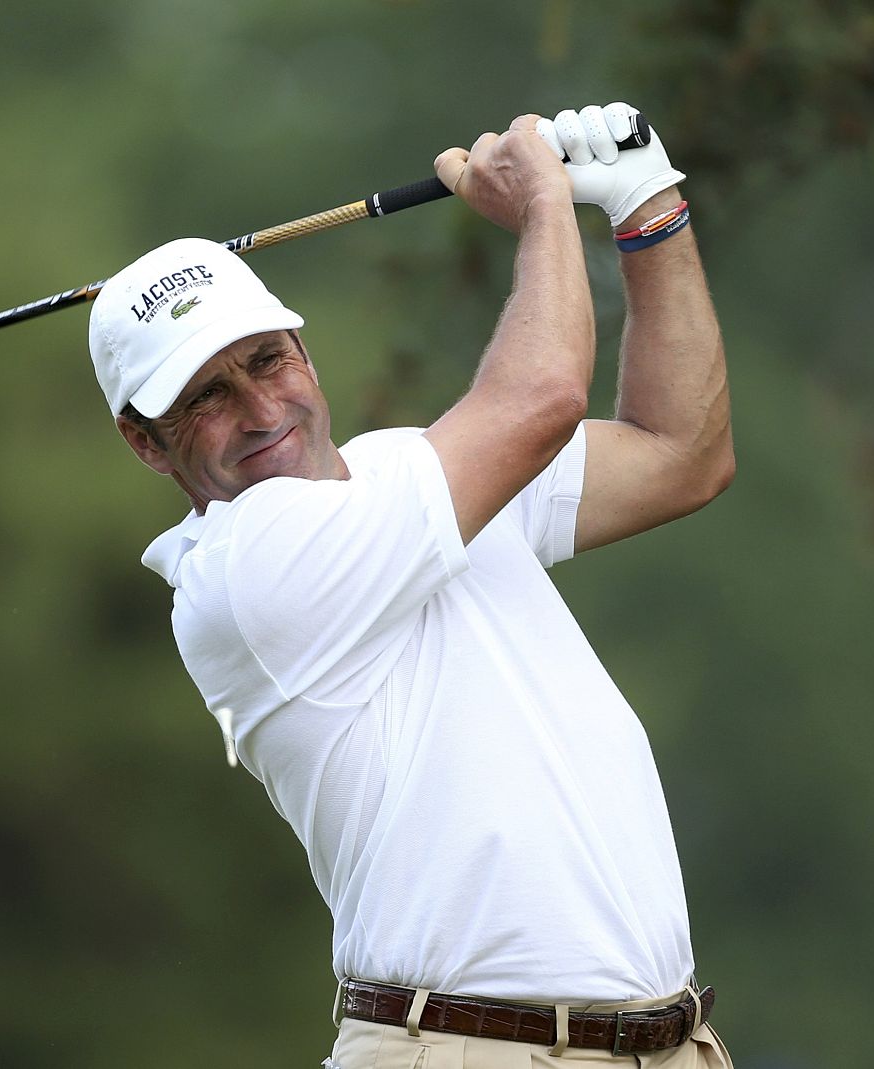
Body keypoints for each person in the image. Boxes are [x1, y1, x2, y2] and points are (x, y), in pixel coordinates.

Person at [87, 102, 734, 1067]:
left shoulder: (411, 470)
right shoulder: (246, 573)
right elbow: (543, 397)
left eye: (267, 360)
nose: (262, 409)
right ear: (146, 443)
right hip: (467, 1048)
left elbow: (682, 454)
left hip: (668, 1039)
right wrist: (544, 204)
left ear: (305, 353)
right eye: (207, 397)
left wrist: (647, 207)